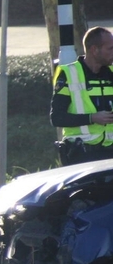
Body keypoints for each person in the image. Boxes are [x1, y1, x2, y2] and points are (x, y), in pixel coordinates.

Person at [50, 26, 113, 165]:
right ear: (94, 50)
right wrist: (92, 118)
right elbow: (57, 118)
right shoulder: (68, 73)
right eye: (110, 49)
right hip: (81, 155)